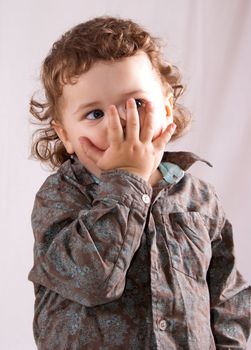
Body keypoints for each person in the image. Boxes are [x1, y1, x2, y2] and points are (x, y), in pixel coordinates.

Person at [27, 15, 251, 349]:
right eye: (95, 114)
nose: (120, 124)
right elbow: (92, 281)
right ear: (66, 135)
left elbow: (227, 296)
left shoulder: (199, 199)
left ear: (167, 109)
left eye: (137, 104)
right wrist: (128, 178)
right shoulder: (61, 196)